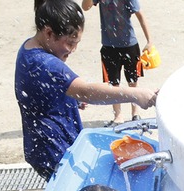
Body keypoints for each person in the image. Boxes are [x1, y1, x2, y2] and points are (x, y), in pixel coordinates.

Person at [15, 0, 158, 180]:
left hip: (40, 146)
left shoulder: (29, 48)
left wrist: (69, 98)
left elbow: (43, 89)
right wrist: (135, 94)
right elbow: (87, 91)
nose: (73, 49)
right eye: (70, 43)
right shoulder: (46, 64)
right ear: (49, 33)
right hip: (54, 149)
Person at [81, 0, 153, 125]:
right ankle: (118, 116)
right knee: (113, 84)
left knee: (133, 81)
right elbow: (85, 7)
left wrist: (149, 41)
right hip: (109, 47)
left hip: (129, 45)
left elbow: (140, 15)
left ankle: (135, 113)